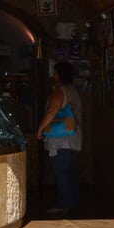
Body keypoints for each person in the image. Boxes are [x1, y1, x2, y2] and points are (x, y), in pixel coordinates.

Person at [36, 61, 82, 216]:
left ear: (59, 75)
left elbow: (52, 111)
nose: (53, 75)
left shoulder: (60, 90)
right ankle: (73, 202)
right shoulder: (73, 91)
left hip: (61, 138)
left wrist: (40, 128)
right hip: (73, 136)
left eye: (55, 72)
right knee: (70, 171)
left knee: (61, 172)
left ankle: (64, 204)